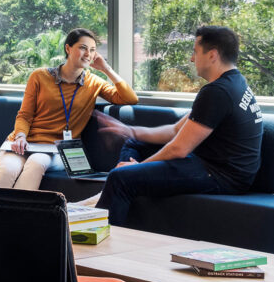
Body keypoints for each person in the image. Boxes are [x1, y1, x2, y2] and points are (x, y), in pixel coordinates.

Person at [83, 25, 264, 225]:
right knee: (133, 143)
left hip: (223, 175)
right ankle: (119, 191)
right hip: (212, 164)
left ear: (212, 55)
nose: (192, 59)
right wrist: (130, 130)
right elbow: (176, 130)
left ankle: (101, 230)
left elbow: (179, 148)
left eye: (195, 52)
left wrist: (138, 168)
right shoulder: (235, 82)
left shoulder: (218, 92)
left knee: (120, 178)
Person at [0, 28, 138, 190]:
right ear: (68, 48)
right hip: (23, 143)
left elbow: (130, 98)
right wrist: (20, 137)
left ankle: (20, 214)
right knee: (7, 169)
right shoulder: (39, 76)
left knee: (36, 163)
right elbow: (25, 115)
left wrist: (106, 69)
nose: (88, 54)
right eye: (83, 48)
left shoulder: (94, 83)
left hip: (57, 150)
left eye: (92, 50)